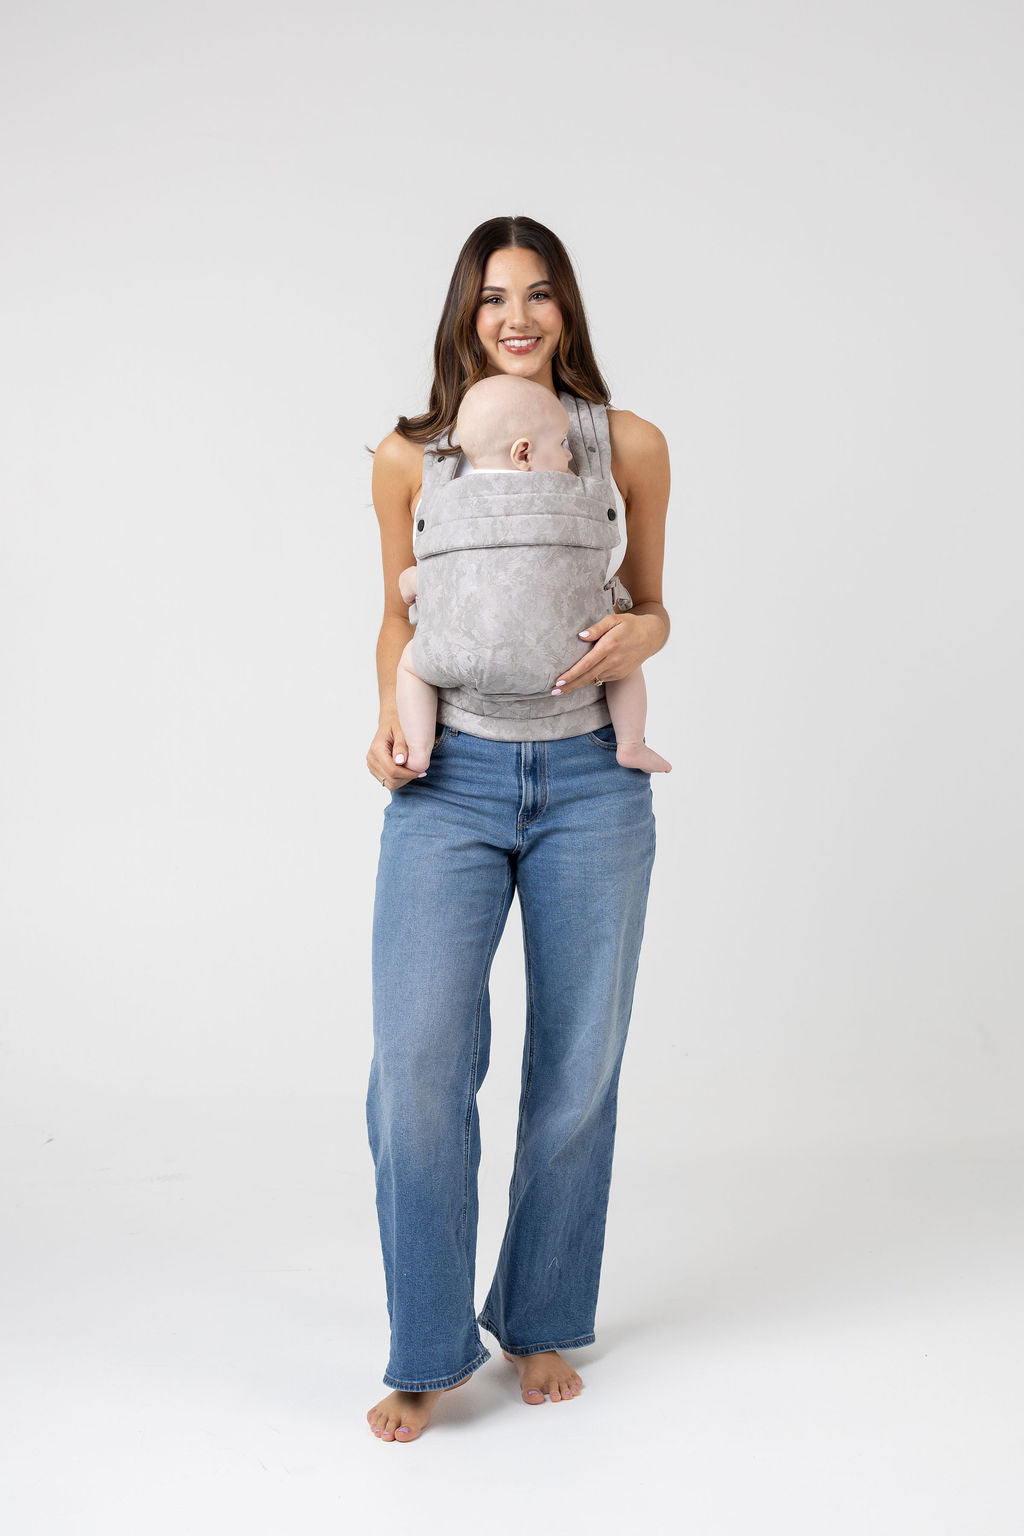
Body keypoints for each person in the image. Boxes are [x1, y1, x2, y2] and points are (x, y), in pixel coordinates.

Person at [365, 215, 671, 1443]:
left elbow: (651, 605)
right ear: (465, 313)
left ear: (566, 309)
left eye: (539, 294)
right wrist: (384, 722)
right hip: (449, 783)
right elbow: (401, 617)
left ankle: (538, 1316)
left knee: (576, 1068)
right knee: (418, 1068)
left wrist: (647, 632)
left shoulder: (628, 443)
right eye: (494, 296)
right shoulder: (408, 456)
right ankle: (427, 1345)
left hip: (592, 780)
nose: (517, 317)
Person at [395, 373, 672, 775]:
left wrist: (411, 581)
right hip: (576, 659)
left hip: (462, 664)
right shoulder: (572, 494)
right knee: (620, 660)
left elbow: (444, 579)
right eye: (561, 445)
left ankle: (419, 750)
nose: (569, 457)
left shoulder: (450, 501)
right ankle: (630, 743)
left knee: (410, 664)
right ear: (523, 454)